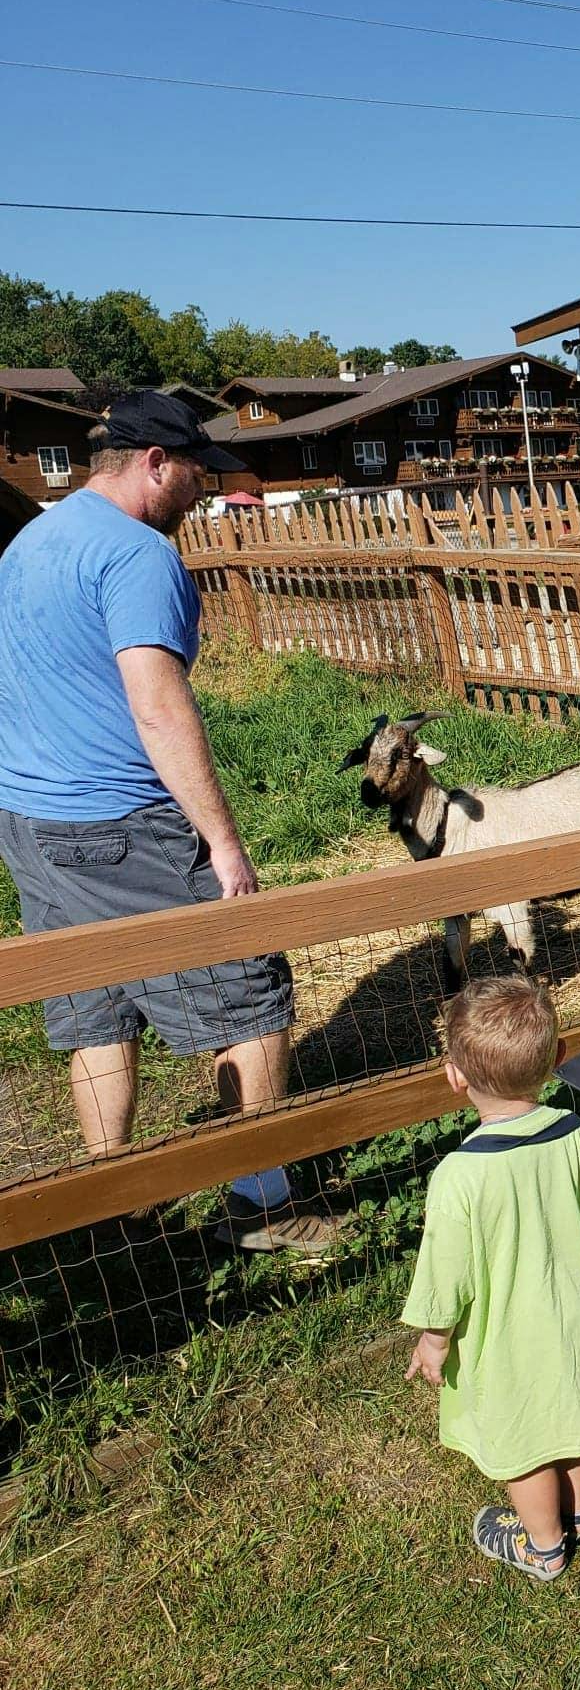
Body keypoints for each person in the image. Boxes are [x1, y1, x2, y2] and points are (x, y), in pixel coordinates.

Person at [0, 390, 330, 1252]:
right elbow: (156, 705)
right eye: (196, 475)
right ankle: (260, 1205)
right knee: (249, 994)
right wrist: (224, 843)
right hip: (122, 822)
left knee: (94, 1004)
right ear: (154, 462)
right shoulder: (139, 555)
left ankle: (107, 1202)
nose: (205, 494)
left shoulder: (34, 538)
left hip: (30, 820)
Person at [402, 976, 580, 1581]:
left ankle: (544, 1544)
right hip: (575, 1314)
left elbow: (442, 1278)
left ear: (455, 1075)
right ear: (557, 1060)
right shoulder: (578, 1136)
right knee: (576, 1411)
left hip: (507, 1338)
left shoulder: (458, 1176)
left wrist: (434, 1339)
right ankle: (578, 1506)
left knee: (525, 1437)